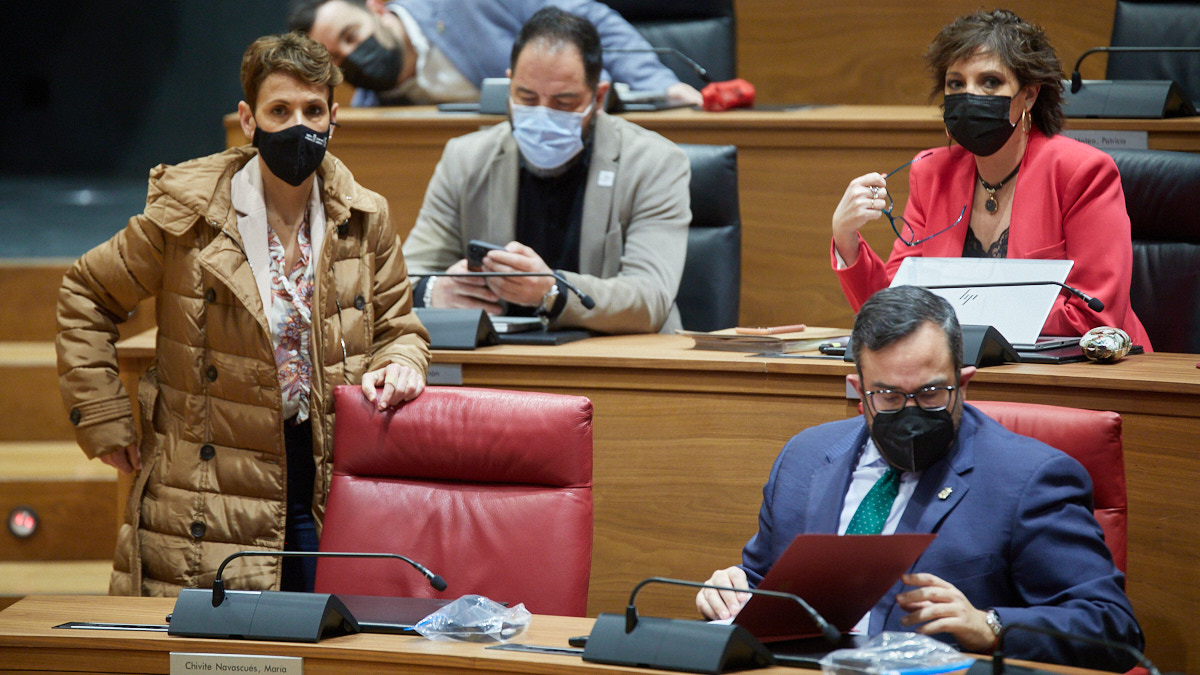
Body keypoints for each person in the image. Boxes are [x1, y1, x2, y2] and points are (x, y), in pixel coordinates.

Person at [56, 33, 430, 596]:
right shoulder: (187, 214)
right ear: (248, 120)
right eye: (280, 110)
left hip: (327, 479)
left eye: (312, 110)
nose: (298, 126)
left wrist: (403, 362)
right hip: (208, 490)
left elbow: (401, 328)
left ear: (334, 119)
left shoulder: (366, 217)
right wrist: (103, 414)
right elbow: (85, 293)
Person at [695, 286, 1143, 671]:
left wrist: (990, 626)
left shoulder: (1027, 479)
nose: (909, 412)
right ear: (859, 391)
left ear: (963, 383)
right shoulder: (804, 458)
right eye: (888, 395)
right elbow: (761, 580)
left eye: (930, 393)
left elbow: (1112, 627)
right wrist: (731, 590)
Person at [830, 9, 1152, 349]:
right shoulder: (931, 173)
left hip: (1085, 373)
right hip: (967, 371)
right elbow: (893, 316)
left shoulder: (1081, 172)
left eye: (990, 82)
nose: (971, 95)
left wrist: (949, 316)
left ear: (1029, 95)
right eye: (956, 83)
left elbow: (1094, 316)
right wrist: (846, 238)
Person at [401, 7, 691, 334]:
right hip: (503, 362)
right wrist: (433, 291)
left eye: (563, 103)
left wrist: (552, 292)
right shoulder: (466, 158)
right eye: (526, 97)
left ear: (598, 97)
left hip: (621, 361)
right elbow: (403, 276)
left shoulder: (654, 162)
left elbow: (649, 299)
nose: (542, 114)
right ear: (509, 87)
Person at [288, 0, 703, 107]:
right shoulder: (372, 107)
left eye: (351, 35)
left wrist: (660, 86)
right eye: (336, 58)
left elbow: (584, 20)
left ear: (377, 9)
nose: (352, 55)